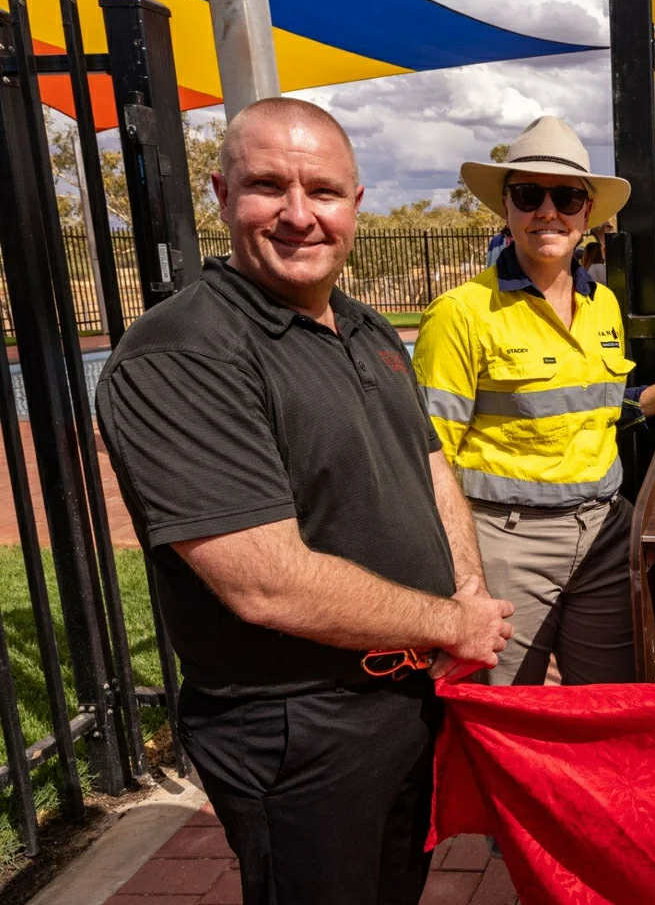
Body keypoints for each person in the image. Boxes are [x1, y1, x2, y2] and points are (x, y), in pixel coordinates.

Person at [95, 98, 515, 905]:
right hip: (297, 726)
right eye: (266, 187)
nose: (298, 215)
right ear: (221, 194)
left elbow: (426, 463)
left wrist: (465, 588)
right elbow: (264, 581)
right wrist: (450, 623)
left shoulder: (364, 328)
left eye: (322, 191)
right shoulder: (183, 354)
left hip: (405, 695)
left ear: (355, 205)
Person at [413, 115, 655, 687]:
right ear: (507, 207)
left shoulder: (602, 305)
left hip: (604, 532)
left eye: (567, 197)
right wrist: (461, 578)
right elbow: (428, 459)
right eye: (529, 195)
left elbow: (593, 411)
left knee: (607, 701)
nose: (547, 211)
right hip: (507, 543)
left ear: (587, 214)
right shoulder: (460, 312)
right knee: (512, 712)